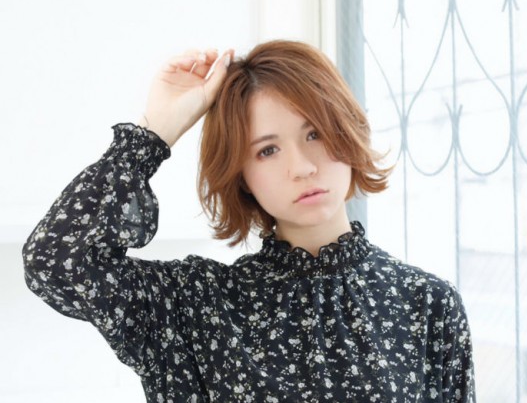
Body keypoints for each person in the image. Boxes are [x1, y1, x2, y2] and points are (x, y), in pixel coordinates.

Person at [22, 40, 475, 402]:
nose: (302, 167)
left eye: (315, 133)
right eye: (268, 150)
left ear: (347, 128)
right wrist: (153, 131)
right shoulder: (198, 307)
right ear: (242, 176)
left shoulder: (427, 304)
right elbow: (56, 260)